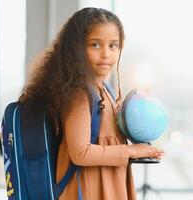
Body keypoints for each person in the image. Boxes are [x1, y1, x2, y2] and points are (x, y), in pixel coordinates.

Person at [19, 7, 165, 200]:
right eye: (95, 45)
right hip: (88, 189)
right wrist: (130, 151)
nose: (106, 54)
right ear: (76, 49)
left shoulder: (104, 90)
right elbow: (80, 152)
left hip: (104, 184)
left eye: (113, 45)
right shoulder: (80, 94)